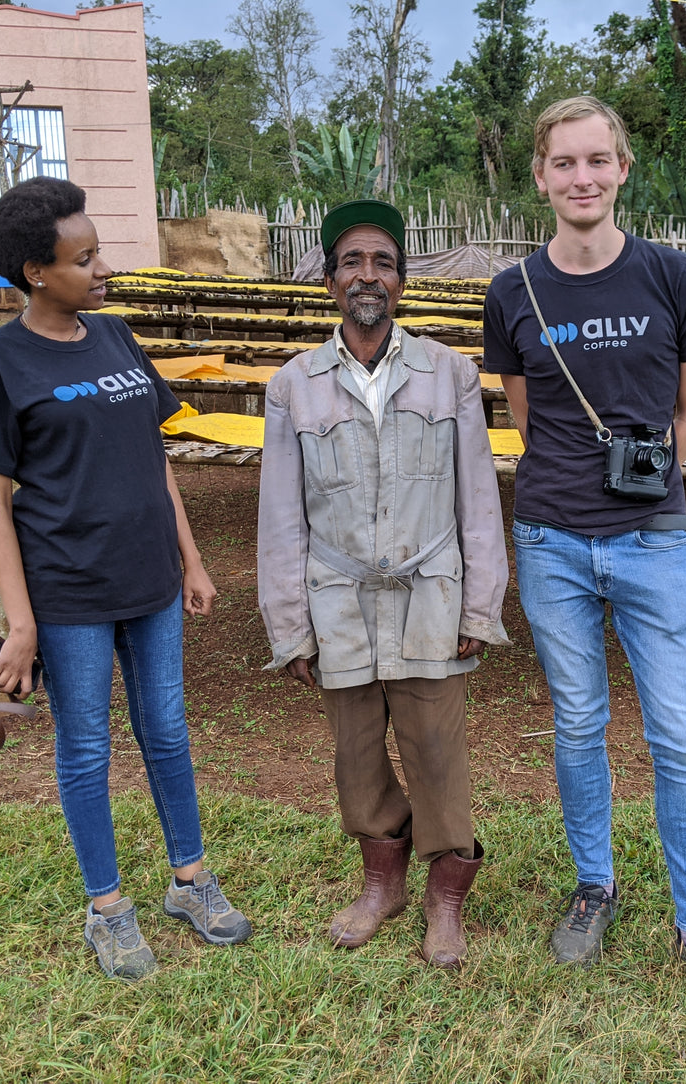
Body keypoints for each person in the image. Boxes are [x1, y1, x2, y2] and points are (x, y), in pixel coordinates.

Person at [481, 96, 686, 1027]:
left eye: (597, 161)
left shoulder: (676, 279)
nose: (582, 179)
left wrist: (648, 480)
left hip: (651, 541)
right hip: (552, 539)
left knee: (679, 737)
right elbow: (526, 417)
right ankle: (593, 886)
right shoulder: (512, 291)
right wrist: (580, 484)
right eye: (564, 164)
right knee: (577, 724)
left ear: (623, 169)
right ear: (539, 177)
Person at [0, 176, 251, 981]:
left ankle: (190, 880)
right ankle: (108, 908)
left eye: (98, 253)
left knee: (166, 731)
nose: (101, 269)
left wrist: (190, 559)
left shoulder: (117, 335)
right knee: (86, 749)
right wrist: (20, 627)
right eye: (82, 259)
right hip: (69, 589)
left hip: (151, 579)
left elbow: (153, 459)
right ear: (34, 273)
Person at [257, 199, 509, 969]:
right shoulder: (294, 386)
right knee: (356, 752)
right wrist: (290, 623)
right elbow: (280, 518)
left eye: (384, 263)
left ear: (401, 279)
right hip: (337, 599)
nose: (368, 275)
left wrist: (479, 602)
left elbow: (477, 496)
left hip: (430, 592)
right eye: (353, 262)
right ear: (330, 279)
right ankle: (382, 885)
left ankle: (445, 898)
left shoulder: (450, 374)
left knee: (436, 749)